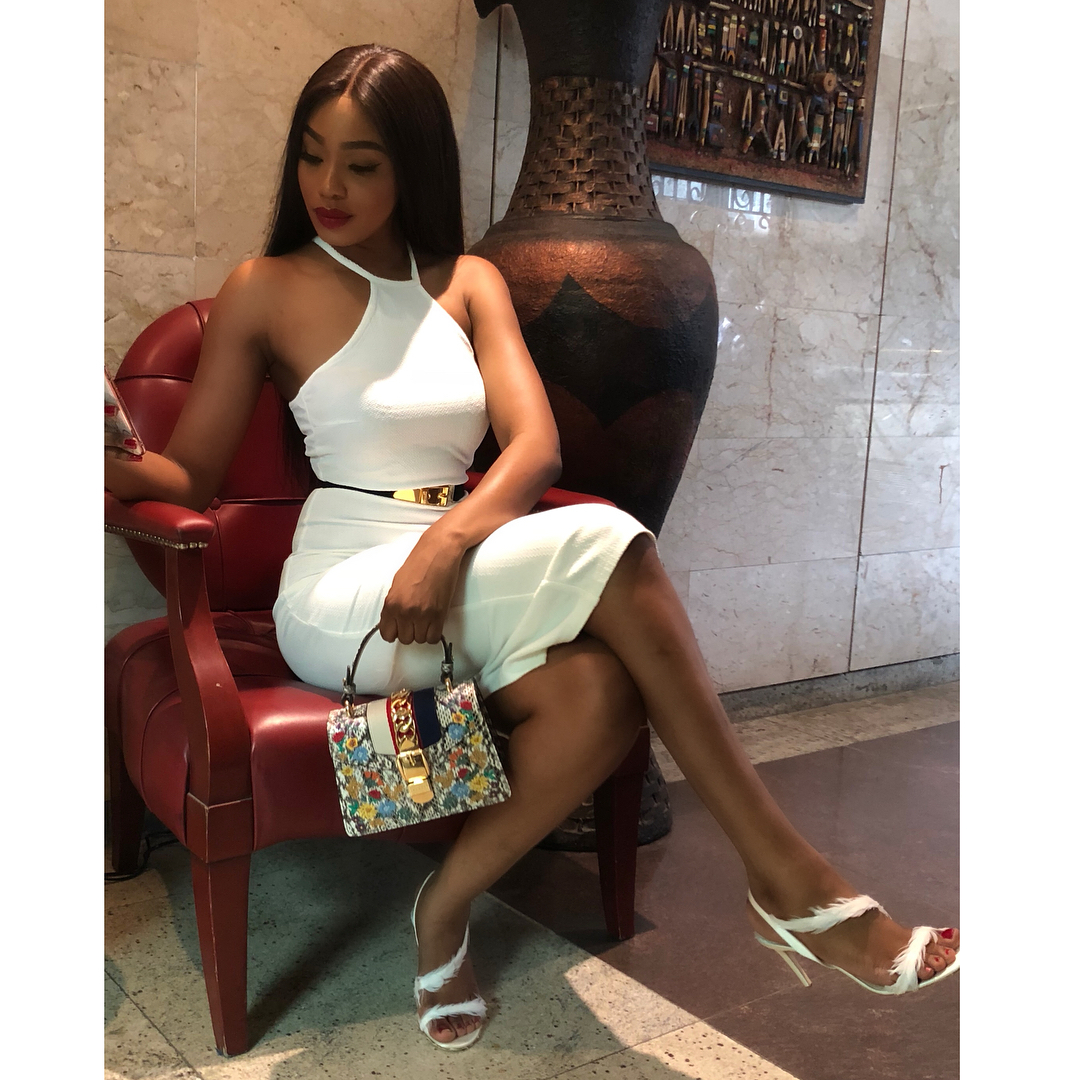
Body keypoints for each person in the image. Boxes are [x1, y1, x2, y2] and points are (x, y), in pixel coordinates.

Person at [105, 44, 959, 1052]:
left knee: (601, 690)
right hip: (342, 592)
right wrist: (102, 454)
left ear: (414, 167)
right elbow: (186, 477)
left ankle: (442, 907)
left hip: (455, 568)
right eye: (312, 155)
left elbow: (535, 445)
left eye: (362, 163)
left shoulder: (470, 282)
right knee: (618, 546)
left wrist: (448, 542)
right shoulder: (264, 287)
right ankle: (792, 883)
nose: (328, 185)